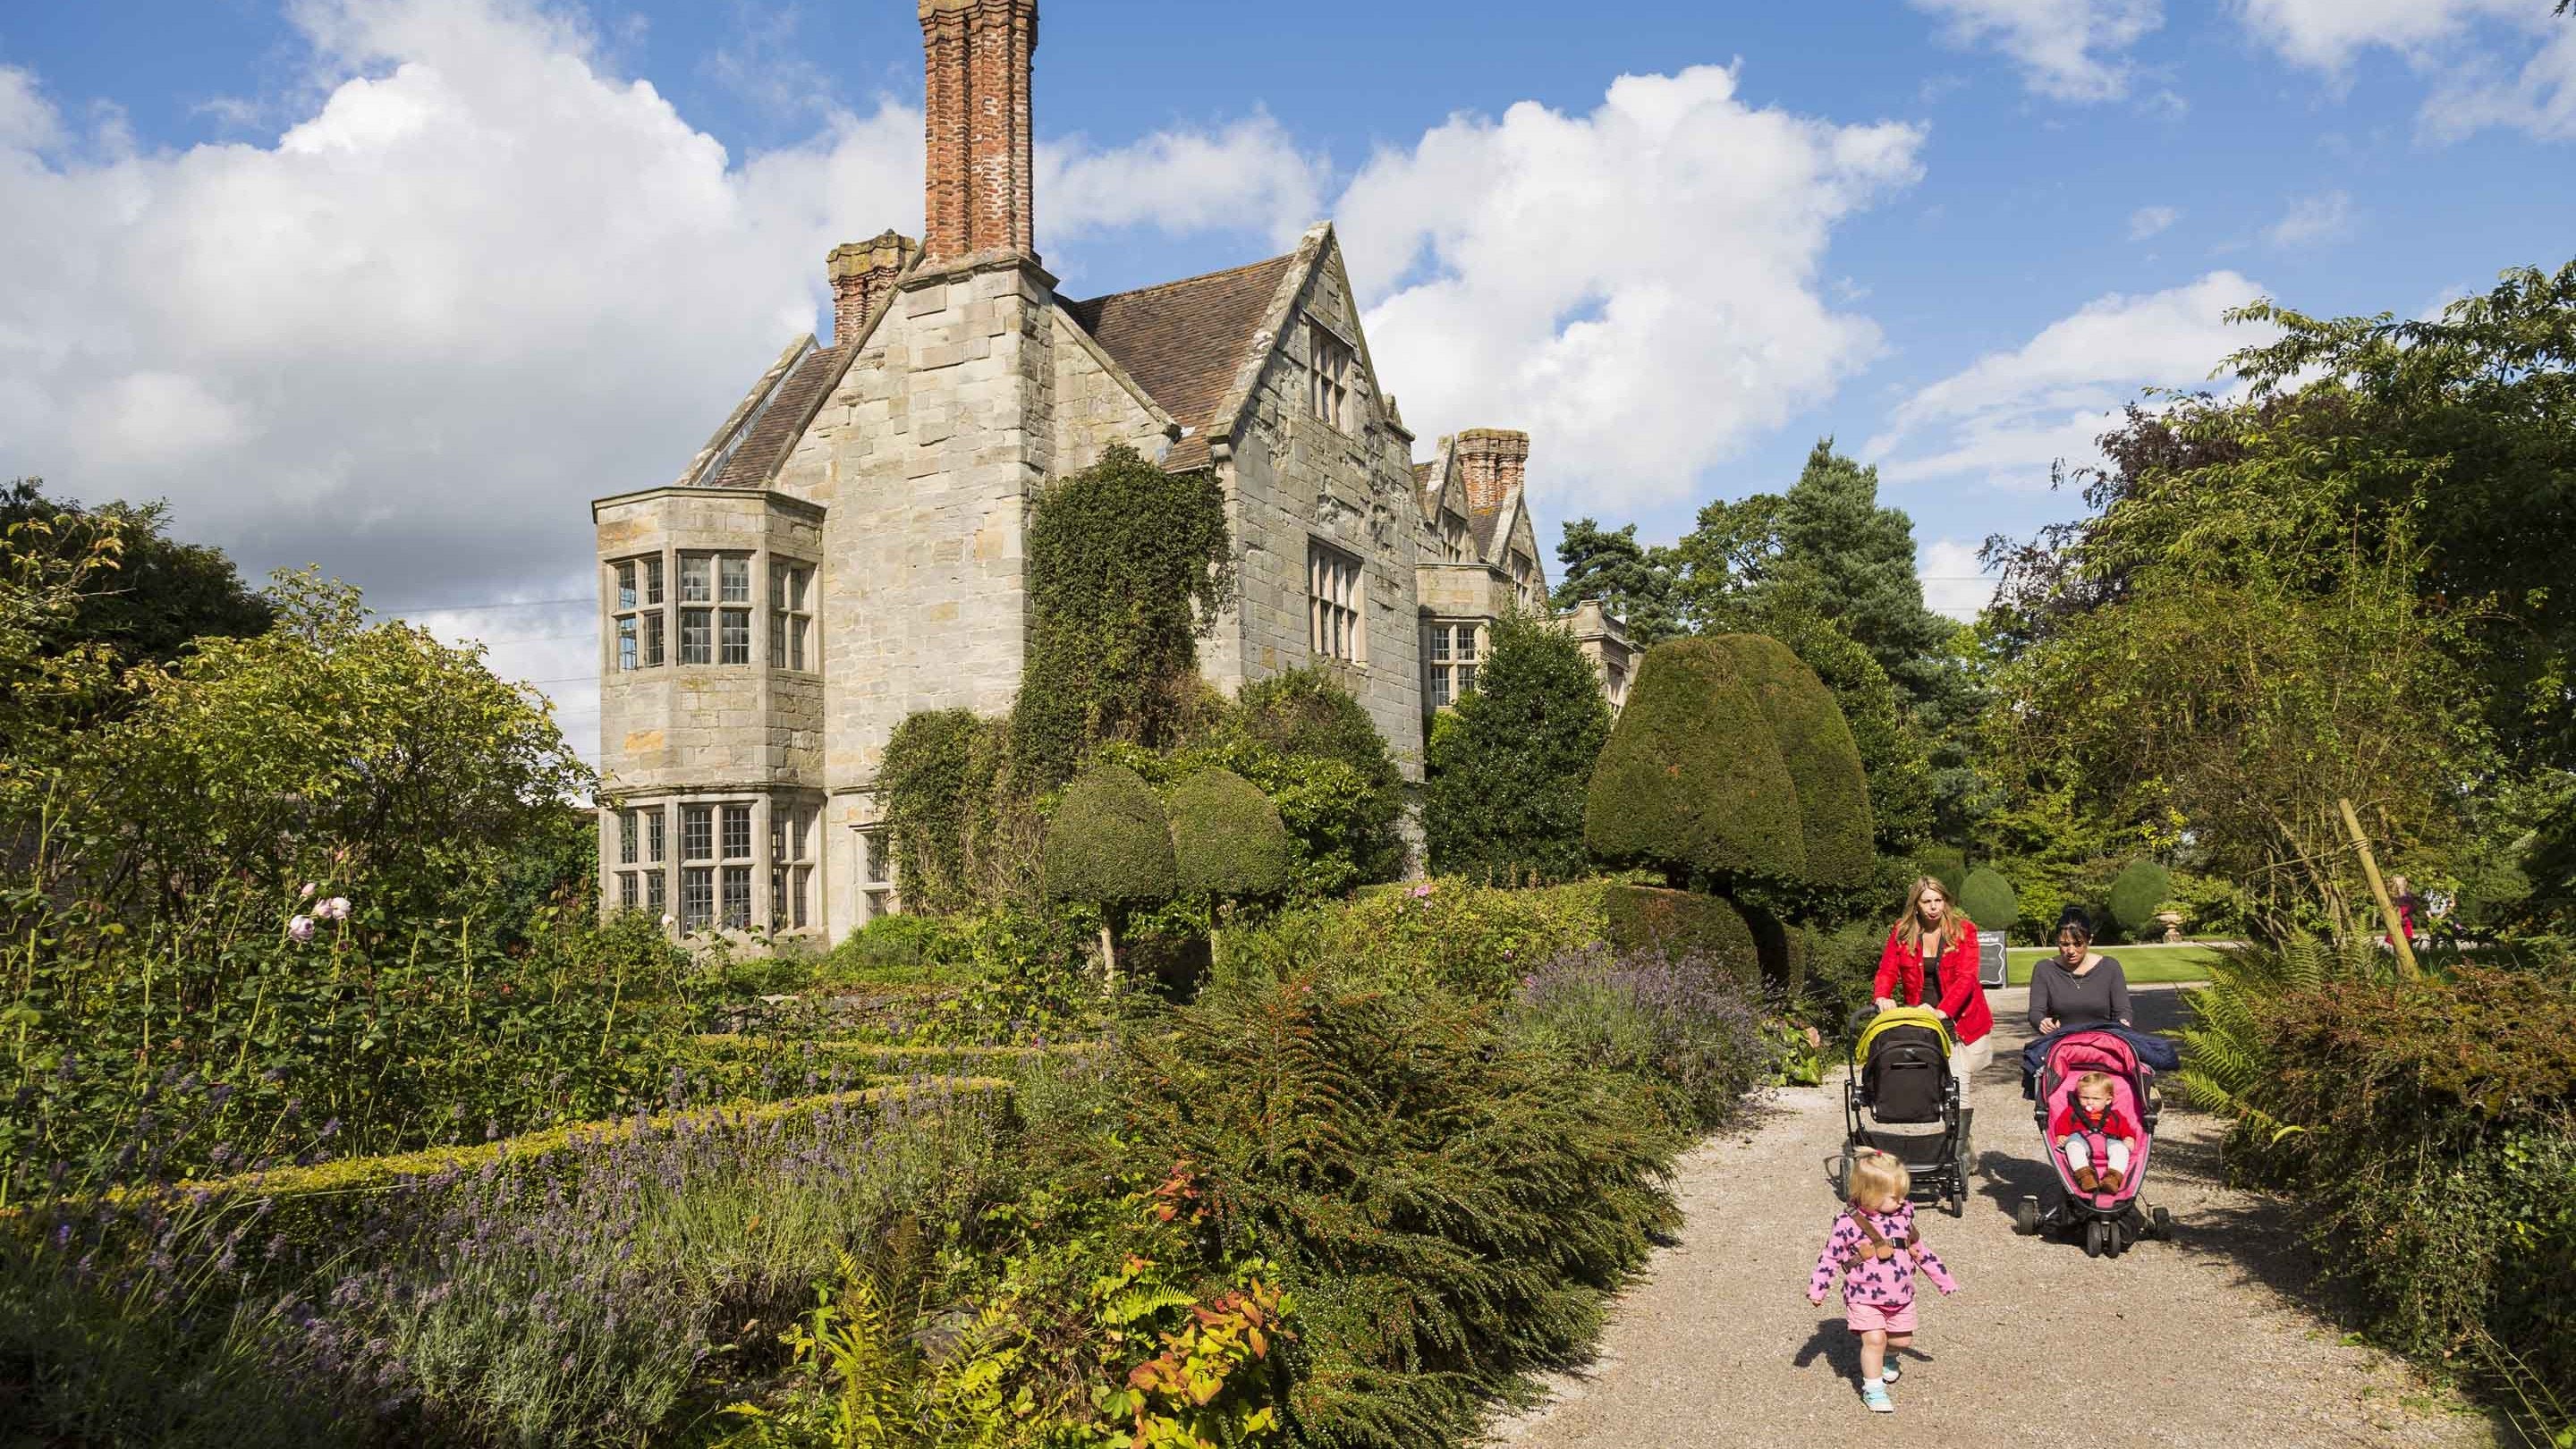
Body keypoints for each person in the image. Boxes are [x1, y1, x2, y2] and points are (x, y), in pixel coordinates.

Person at [1808, 1148, 1958, 1413]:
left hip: (1900, 1295)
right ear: (1869, 1194)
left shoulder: (1904, 1218)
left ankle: (1890, 1357)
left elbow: (1919, 1249)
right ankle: (1873, 1389)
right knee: (1874, 1340)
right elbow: (1830, 1257)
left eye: (1903, 1194)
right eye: (1894, 1196)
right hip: (1863, 1296)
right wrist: (1818, 1288)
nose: (1902, 1200)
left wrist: (1942, 1278)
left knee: (1901, 1341)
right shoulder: (1848, 1223)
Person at [1875, 877, 1996, 1079]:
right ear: (1916, 905)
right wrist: (1881, 996)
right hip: (1921, 1017)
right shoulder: (1902, 931)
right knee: (1924, 1079)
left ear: (1945, 902)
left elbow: (1967, 978)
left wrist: (1942, 1011)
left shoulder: (1964, 930)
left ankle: (1958, 1111)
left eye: (1938, 901)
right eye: (1926, 902)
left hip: (1958, 1017)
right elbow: (1887, 970)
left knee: (1957, 1081)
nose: (1933, 907)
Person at [2027, 907, 2131, 1037]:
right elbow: (2036, 1012)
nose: (2070, 951)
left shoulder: (2110, 967)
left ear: (2090, 940)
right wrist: (2041, 1022)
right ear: (2057, 941)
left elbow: (2123, 1010)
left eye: (2078, 944)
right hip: (2061, 1044)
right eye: (2065, 944)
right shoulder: (2044, 969)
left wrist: (2123, 1022)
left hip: (2104, 1043)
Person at [2050, 1070, 2139, 1192]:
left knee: (2121, 1150)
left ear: (2108, 1100)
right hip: (2080, 1138)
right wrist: (2062, 1134)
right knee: (2072, 1146)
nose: (2090, 1102)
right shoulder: (2072, 1111)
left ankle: (2112, 1179)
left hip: (2109, 1140)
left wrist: (2129, 1137)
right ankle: (2085, 1177)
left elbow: (2126, 1128)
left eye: (2096, 1098)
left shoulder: (2115, 1115)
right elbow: (2062, 1122)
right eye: (2085, 1097)